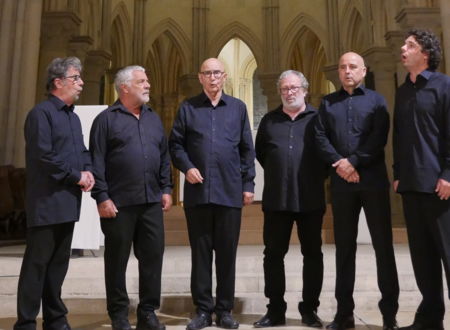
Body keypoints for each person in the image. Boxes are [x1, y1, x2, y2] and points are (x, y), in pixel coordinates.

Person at [169, 58, 255, 330]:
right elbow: (176, 145)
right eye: (207, 73)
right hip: (198, 193)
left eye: (217, 72)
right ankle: (203, 311)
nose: (213, 77)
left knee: (227, 255)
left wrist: (248, 184)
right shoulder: (188, 108)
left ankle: (225, 310)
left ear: (225, 76)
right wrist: (187, 167)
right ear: (200, 77)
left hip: (229, 193)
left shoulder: (238, 108)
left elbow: (246, 150)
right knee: (201, 254)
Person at [315, 52, 399, 330]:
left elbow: (379, 137)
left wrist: (353, 161)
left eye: (352, 67)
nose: (347, 71)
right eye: (342, 67)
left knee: (383, 247)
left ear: (364, 70)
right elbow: (320, 136)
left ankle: (389, 315)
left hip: (372, 180)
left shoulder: (377, 101)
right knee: (344, 249)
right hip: (341, 184)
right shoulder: (327, 103)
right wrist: (340, 163)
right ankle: (344, 314)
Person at [89, 65, 172, 330]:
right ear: (124, 87)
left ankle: (148, 312)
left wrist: (166, 188)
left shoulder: (153, 117)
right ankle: (119, 315)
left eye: (147, 81)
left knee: (152, 259)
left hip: (150, 202)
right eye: (142, 82)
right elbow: (96, 161)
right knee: (116, 261)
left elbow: (164, 156)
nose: (148, 85)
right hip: (119, 204)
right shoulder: (106, 119)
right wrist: (102, 197)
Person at [14, 57, 94, 330]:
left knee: (58, 265)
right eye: (76, 78)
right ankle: (25, 322)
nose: (81, 83)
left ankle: (54, 318)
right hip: (46, 202)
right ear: (58, 82)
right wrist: (76, 176)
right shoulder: (41, 114)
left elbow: (81, 151)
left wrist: (88, 170)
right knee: (36, 266)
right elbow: (44, 156)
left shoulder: (72, 117)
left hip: (68, 201)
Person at [253, 70, 326, 328]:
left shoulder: (319, 118)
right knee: (273, 255)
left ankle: (309, 310)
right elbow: (262, 152)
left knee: (313, 254)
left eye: (294, 88)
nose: (289, 92)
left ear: (305, 90)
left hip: (310, 198)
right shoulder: (270, 121)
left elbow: (327, 154)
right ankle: (275, 310)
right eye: (284, 89)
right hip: (277, 199)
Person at [393, 29, 450, 330]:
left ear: (425, 54)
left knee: (448, 256)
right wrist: (398, 173)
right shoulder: (403, 91)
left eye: (410, 45)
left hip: (440, 188)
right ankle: (430, 320)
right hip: (412, 186)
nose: (403, 48)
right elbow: (399, 135)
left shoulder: (444, 86)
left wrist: (448, 175)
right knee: (422, 258)